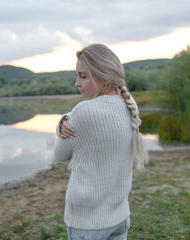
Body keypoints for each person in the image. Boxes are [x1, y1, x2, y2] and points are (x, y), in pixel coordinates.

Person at [54, 43, 149, 240]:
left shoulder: (83, 111)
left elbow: (59, 155)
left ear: (103, 77)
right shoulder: (128, 103)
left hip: (88, 224)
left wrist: (63, 120)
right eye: (77, 75)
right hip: (120, 217)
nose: (76, 83)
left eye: (83, 76)